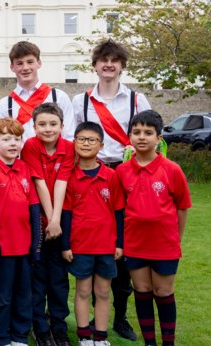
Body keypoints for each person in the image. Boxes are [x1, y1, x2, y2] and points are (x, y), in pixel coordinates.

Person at [71, 39, 151, 341]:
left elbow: (146, 138)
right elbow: (73, 141)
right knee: (93, 242)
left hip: (125, 172)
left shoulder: (136, 100)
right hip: (92, 173)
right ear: (95, 65)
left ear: (122, 65)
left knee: (123, 247)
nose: (108, 64)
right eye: (103, 59)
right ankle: (90, 318)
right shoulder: (81, 101)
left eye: (114, 60)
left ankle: (119, 316)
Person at [116, 110, 191, 346]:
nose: (142, 137)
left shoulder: (172, 170)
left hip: (164, 244)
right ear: (129, 137)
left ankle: (167, 342)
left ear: (159, 138)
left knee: (163, 292)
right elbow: (119, 210)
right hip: (135, 244)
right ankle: (149, 342)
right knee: (142, 290)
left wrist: (175, 241)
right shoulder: (121, 171)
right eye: (136, 132)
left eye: (148, 133)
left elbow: (182, 207)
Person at [0, 118, 41, 346]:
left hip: (23, 247)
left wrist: (36, 244)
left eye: (17, 138)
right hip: (2, 248)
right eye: (6, 139)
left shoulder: (24, 168)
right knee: (2, 296)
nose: (13, 143)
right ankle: (1, 337)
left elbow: (33, 207)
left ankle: (19, 336)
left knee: (23, 294)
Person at [60, 121, 125, 346]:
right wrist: (66, 245)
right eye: (81, 139)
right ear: (74, 142)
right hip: (80, 246)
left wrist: (119, 243)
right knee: (83, 290)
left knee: (104, 292)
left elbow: (118, 212)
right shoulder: (69, 177)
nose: (86, 143)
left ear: (101, 145)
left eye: (92, 140)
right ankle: (84, 336)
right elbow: (66, 214)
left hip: (106, 245)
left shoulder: (111, 175)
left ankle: (100, 336)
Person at [19, 103, 74, 346]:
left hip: (60, 221)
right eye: (42, 124)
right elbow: (39, 183)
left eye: (53, 124)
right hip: (37, 222)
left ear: (62, 126)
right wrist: (49, 221)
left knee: (59, 280)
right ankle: (40, 329)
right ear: (34, 127)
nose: (48, 129)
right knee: (38, 278)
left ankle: (59, 328)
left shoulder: (69, 148)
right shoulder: (30, 146)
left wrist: (55, 221)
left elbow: (61, 182)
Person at [0, 41, 75, 141]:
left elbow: (69, 136)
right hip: (19, 156)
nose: (25, 68)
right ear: (12, 67)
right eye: (19, 63)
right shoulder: (3, 105)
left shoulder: (59, 97)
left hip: (54, 156)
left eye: (30, 62)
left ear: (39, 63)